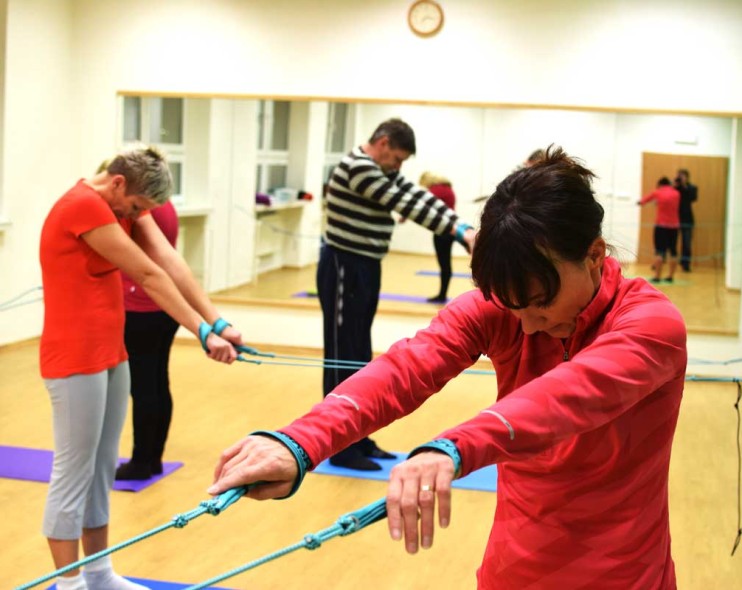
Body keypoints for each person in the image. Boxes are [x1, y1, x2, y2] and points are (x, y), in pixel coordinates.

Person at [209, 147, 687, 589]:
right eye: (513, 306)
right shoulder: (505, 310)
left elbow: (567, 396)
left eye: (541, 305)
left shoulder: (650, 324)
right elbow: (406, 367)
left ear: (595, 255)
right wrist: (299, 441)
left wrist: (450, 448)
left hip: (624, 572)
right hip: (514, 565)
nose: (527, 325)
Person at [39, 146, 243, 590]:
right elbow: (148, 275)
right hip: (73, 356)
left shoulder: (124, 202)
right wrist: (200, 333)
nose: (135, 216)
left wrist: (216, 320)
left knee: (102, 466)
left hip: (111, 351)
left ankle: (99, 574)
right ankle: (68, 584)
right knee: (74, 471)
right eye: (135, 208)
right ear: (118, 184)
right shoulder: (83, 207)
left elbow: (169, 261)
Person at [317, 118, 476, 471]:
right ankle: (339, 445)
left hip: (365, 265)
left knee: (358, 353)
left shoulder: (379, 168)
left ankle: (357, 436)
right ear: (384, 143)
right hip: (344, 265)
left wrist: (462, 227)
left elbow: (416, 194)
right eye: (398, 158)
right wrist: (457, 232)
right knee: (343, 355)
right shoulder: (358, 168)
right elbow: (406, 204)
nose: (399, 166)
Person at [115, 198, 181, 481]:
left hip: (142, 307)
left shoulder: (141, 209)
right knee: (156, 383)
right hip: (164, 307)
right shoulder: (164, 203)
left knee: (143, 388)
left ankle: (141, 461)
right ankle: (152, 459)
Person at [418, 172, 457, 303]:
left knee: (444, 264)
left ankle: (442, 295)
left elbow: (420, 204)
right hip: (450, 230)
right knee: (446, 264)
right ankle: (442, 294)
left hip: (442, 231)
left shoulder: (436, 189)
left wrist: (403, 216)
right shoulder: (447, 188)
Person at [638, 177, 681, 283]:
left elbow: (643, 201)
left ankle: (657, 276)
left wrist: (640, 203)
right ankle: (670, 276)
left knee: (660, 251)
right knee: (673, 251)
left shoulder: (657, 192)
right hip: (674, 226)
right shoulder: (676, 193)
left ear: (660, 184)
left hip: (661, 226)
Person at [674, 169, 698, 272]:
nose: (680, 178)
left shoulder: (692, 188)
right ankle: (663, 263)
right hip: (674, 219)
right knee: (671, 243)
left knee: (686, 243)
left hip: (687, 219)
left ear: (687, 177)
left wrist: (684, 185)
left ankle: (685, 264)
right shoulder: (675, 188)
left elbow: (693, 198)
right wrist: (675, 185)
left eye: (683, 176)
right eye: (679, 176)